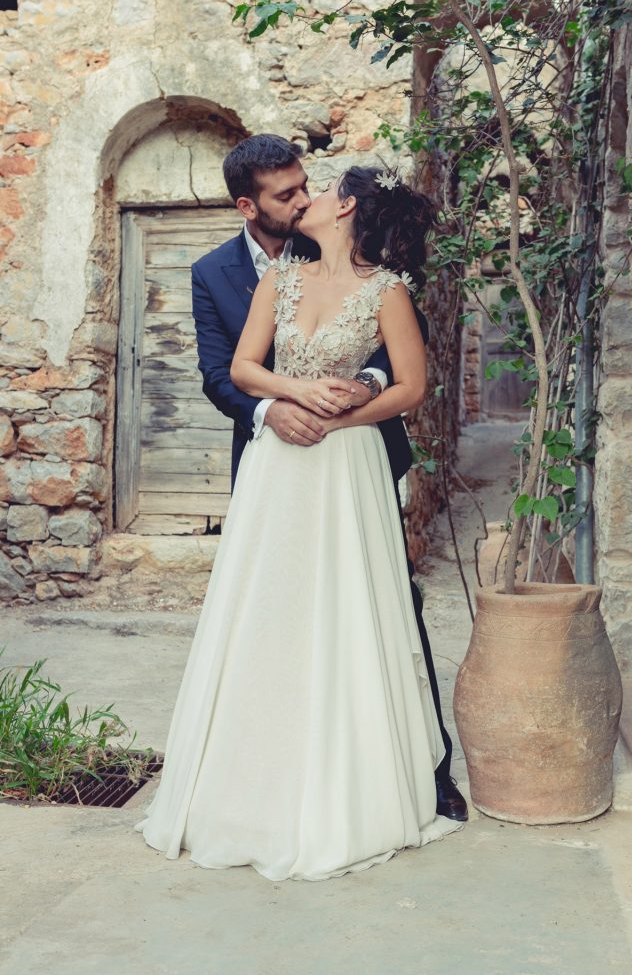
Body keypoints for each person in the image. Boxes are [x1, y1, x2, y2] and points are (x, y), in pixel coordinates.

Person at [135, 149, 465, 882]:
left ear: (347, 208)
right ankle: (250, 785)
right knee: (266, 612)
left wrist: (346, 413)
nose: (302, 198)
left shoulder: (386, 289)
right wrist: (287, 400)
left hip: (348, 465)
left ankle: (401, 778)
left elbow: (408, 384)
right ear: (249, 206)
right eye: (287, 193)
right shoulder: (262, 277)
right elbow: (233, 372)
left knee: (367, 612)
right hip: (276, 463)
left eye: (311, 189)